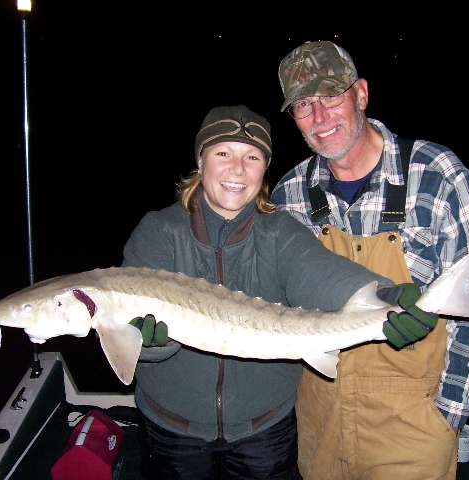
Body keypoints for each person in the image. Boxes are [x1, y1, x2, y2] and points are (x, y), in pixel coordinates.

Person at [120, 104, 435, 479]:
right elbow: (134, 346)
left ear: (263, 170)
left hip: (264, 431)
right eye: (223, 153)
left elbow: (320, 273)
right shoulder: (158, 232)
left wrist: (384, 296)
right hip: (172, 429)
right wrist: (148, 342)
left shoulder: (279, 232)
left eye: (252, 157)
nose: (237, 169)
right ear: (200, 162)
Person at [271, 41, 469, 480]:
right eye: (303, 105)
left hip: (411, 424)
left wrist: (447, 419)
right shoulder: (289, 195)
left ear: (361, 94)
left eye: (331, 96)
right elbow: (279, 308)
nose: (320, 118)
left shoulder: (439, 176)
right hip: (321, 414)